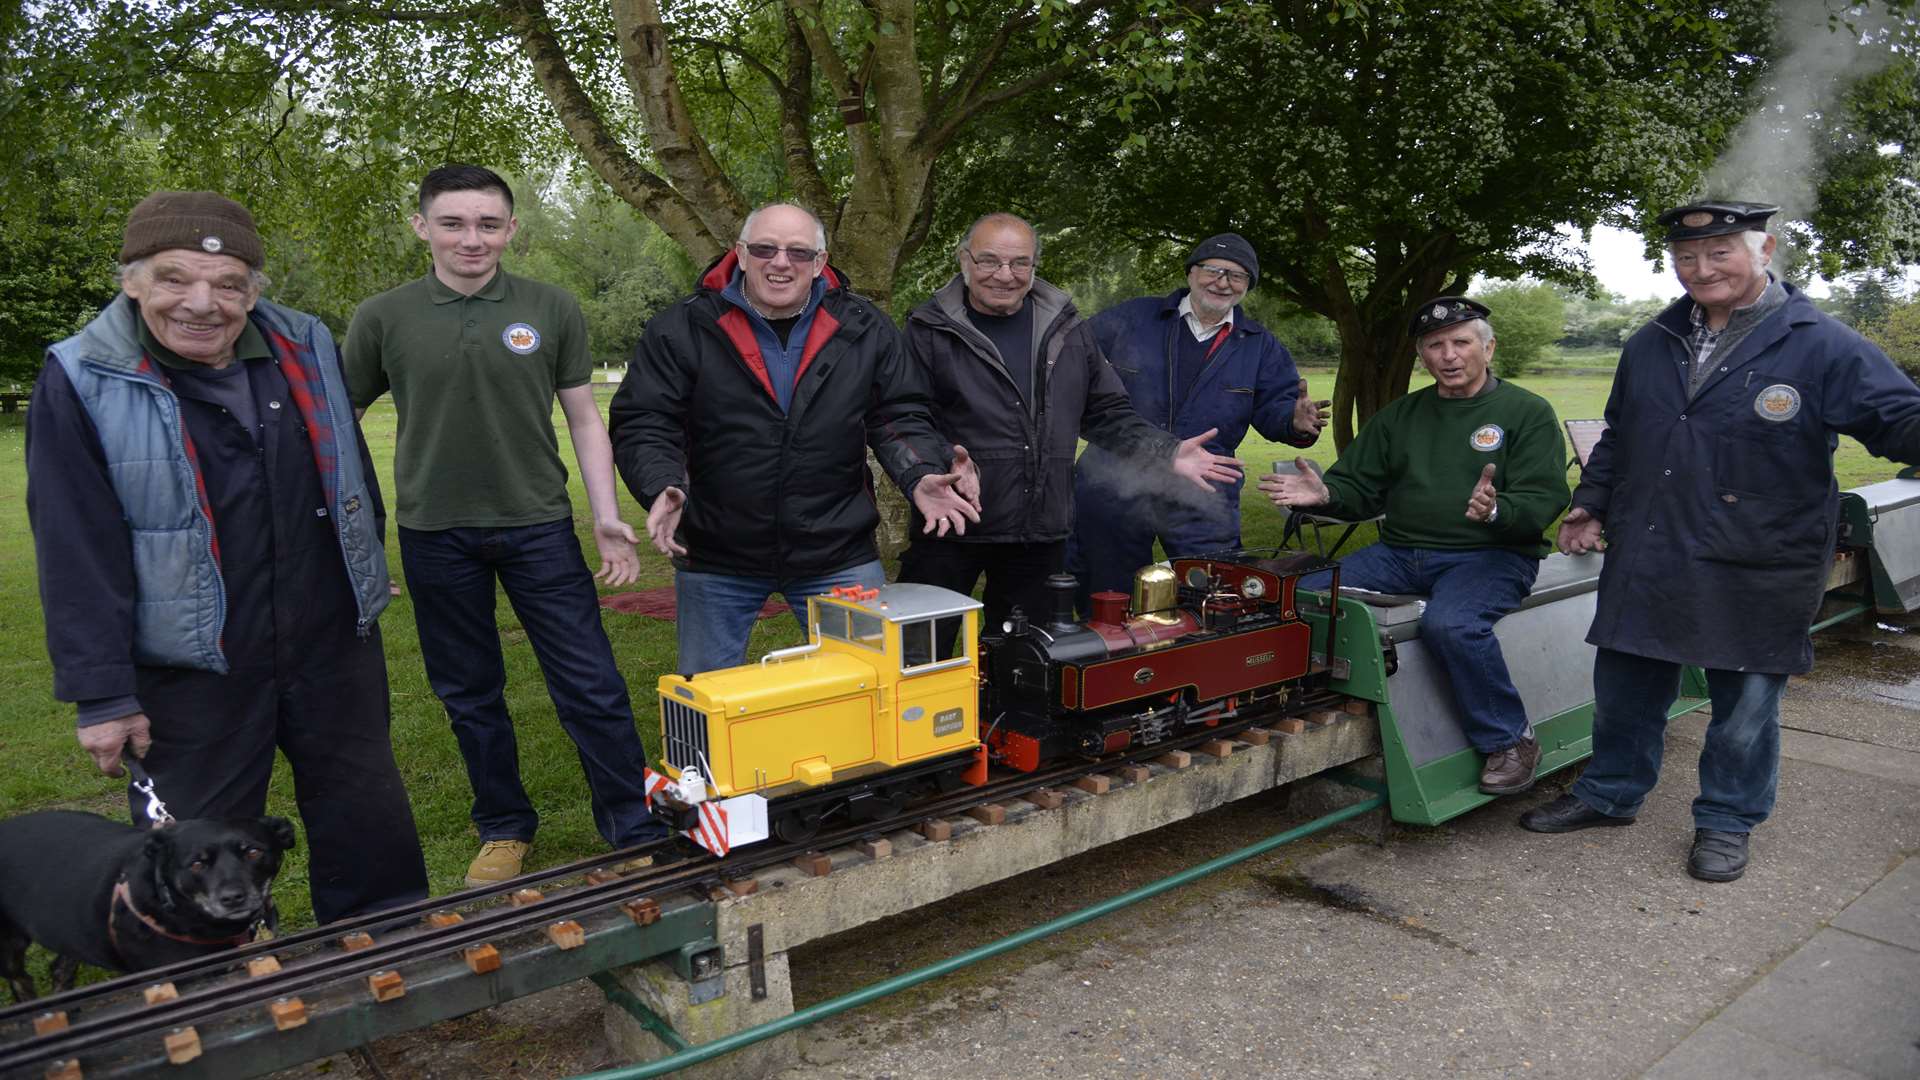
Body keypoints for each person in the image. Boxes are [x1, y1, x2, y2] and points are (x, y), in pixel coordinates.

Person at [26, 191, 429, 923]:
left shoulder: (303, 345)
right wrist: (104, 694)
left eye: (229, 284)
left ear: (253, 290)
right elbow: (73, 544)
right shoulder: (82, 374)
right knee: (190, 849)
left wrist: (363, 561)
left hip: (328, 639)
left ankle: (388, 963)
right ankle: (203, 1003)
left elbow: (346, 469)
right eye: (175, 279)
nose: (202, 303)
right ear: (132, 279)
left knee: (366, 815)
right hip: (191, 663)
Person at [1521, 200, 1920, 882]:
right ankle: (1610, 794)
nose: (1701, 270)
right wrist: (1589, 503)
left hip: (1760, 556)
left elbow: (1898, 418)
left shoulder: (1819, 342)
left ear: (1763, 251)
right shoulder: (1653, 340)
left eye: (1719, 253)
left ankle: (1727, 822)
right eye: (1686, 258)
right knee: (1625, 688)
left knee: (1745, 707)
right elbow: (1621, 435)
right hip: (1651, 544)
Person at [344, 164, 663, 888]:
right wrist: (355, 535)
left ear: (512, 230)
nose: (471, 238)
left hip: (539, 527)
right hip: (436, 534)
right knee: (468, 691)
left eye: (489, 224)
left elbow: (585, 417)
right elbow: (342, 426)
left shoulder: (550, 307)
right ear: (421, 226)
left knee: (591, 682)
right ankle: (504, 828)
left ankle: (630, 821)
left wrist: (607, 516)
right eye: (453, 222)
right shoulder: (383, 316)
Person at [609, 203, 980, 675]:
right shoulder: (680, 328)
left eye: (798, 252)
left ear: (820, 263)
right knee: (705, 700)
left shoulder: (864, 326)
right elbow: (645, 418)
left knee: (867, 691)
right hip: (717, 551)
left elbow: (898, 414)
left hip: (836, 549)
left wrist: (922, 471)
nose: (780, 262)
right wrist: (662, 482)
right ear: (741, 254)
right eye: (765, 248)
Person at [1261, 296, 1570, 796]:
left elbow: (1543, 497)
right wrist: (1325, 495)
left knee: (1452, 624)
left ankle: (1510, 740)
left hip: (1492, 556)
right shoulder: (1400, 417)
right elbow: (1358, 488)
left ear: (1489, 348)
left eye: (1461, 342)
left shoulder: (1526, 412)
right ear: (1422, 356)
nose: (1449, 355)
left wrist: (1497, 511)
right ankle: (1307, 716)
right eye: (1435, 345)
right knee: (1302, 599)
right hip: (1400, 554)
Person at [901, 213, 1243, 632]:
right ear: (964, 261)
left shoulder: (1067, 329)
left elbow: (1106, 413)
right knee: (919, 658)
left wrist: (1166, 450)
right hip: (951, 521)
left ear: (1034, 265)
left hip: (1040, 533)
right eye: (989, 261)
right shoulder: (928, 329)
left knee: (1028, 668)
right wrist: (933, 464)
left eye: (1019, 263)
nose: (1005, 275)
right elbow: (903, 415)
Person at [1070, 233, 1328, 603]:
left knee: (1213, 594)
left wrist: (1294, 421)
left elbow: (1275, 412)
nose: (1223, 282)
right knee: (1108, 597)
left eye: (1237, 276)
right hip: (1113, 482)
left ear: (1247, 287)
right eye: (1213, 270)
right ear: (1191, 273)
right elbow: (1073, 365)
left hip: (1207, 486)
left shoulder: (1260, 345)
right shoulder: (1131, 317)